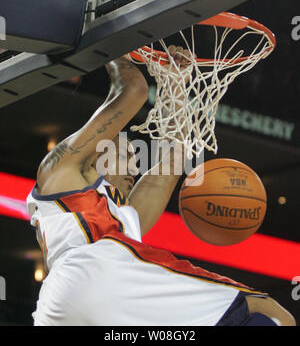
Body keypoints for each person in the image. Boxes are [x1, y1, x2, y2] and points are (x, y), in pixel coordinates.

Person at [27, 46, 296, 326]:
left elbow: (172, 164)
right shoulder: (60, 171)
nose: (134, 167)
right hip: (92, 275)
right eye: (126, 155)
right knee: (268, 311)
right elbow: (134, 89)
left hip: (61, 309)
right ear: (97, 152)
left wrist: (176, 83)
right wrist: (114, 45)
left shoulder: (123, 221)